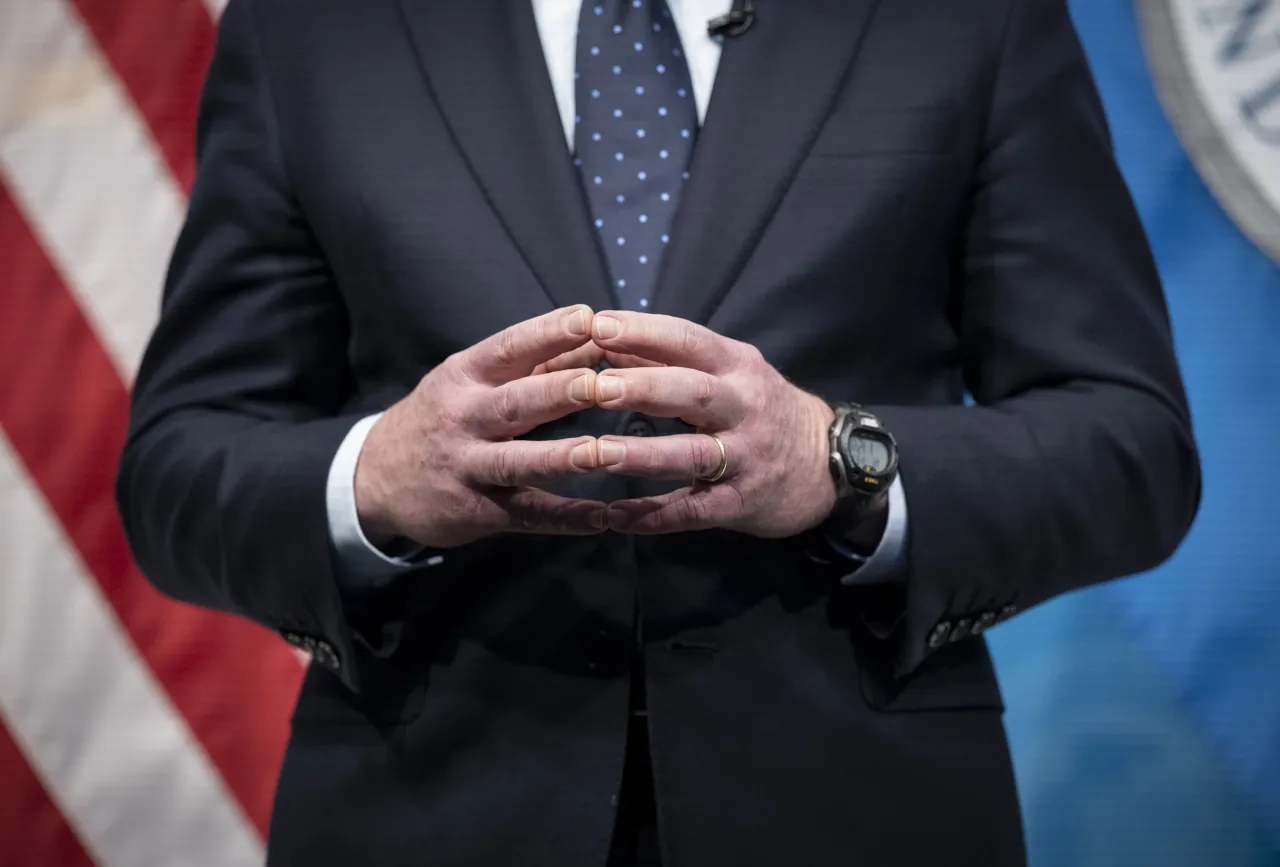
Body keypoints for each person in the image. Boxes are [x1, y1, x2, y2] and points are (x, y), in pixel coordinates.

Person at [116, 0, 1202, 864]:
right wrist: (377, 480)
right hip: (428, 807)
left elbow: (1128, 447)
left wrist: (838, 463)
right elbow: (177, 466)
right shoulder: (310, 26)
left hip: (857, 809)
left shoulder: (967, 16)